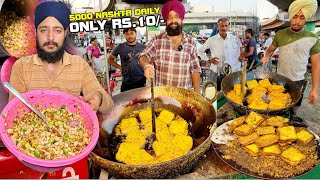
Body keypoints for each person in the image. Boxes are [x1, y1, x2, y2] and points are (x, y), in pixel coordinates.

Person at [9, 1, 113, 113]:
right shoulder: (21, 66)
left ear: (65, 33)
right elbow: (12, 112)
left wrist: (99, 97)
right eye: (43, 30)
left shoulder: (79, 64)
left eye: (57, 30)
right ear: (35, 33)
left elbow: (109, 106)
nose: (50, 37)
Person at [262, 0, 320, 114]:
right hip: (280, 79)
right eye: (294, 17)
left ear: (307, 18)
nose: (297, 21)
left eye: (302, 17)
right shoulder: (280, 34)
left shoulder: (313, 38)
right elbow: (270, 50)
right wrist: (267, 56)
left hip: (299, 81)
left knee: (294, 108)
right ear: (290, 16)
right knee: (276, 107)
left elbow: (316, 65)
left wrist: (315, 89)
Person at [139, 0, 201, 92]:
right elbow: (143, 56)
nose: (173, 21)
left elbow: (195, 69)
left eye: (176, 16)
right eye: (169, 17)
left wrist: (197, 93)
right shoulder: (157, 40)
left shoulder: (190, 42)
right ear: (165, 21)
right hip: (162, 98)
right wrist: (146, 65)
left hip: (183, 98)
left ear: (182, 19)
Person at [198, 18, 242, 90]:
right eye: (222, 26)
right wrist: (208, 59)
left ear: (228, 27)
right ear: (217, 26)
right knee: (214, 94)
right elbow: (199, 51)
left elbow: (240, 52)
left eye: (226, 26)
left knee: (231, 94)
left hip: (231, 72)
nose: (224, 28)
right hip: (215, 72)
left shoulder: (235, 39)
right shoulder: (212, 40)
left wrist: (240, 57)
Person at [108, 27, 146, 92]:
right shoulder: (120, 47)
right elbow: (110, 59)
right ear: (124, 35)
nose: (130, 36)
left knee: (140, 100)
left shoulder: (143, 47)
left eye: (131, 33)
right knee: (125, 100)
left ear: (135, 34)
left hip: (141, 80)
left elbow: (149, 60)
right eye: (127, 34)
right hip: (126, 81)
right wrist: (120, 67)